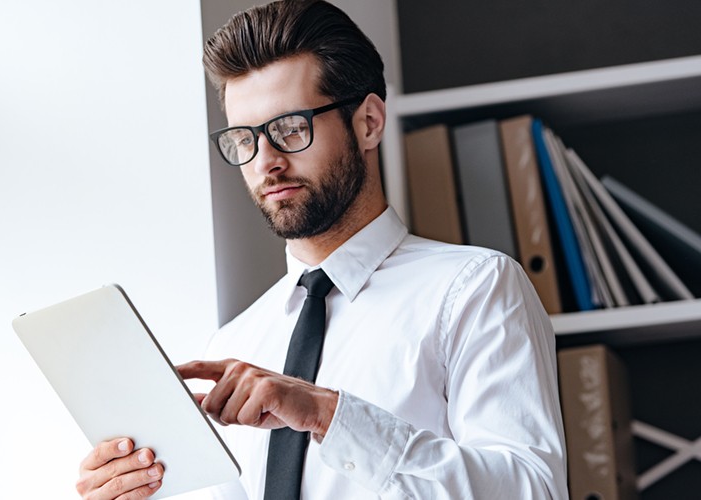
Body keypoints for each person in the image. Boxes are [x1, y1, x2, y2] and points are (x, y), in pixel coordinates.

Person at [75, 1, 569, 499]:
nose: (266, 162)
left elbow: (532, 491)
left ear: (369, 122)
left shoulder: (475, 289)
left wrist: (328, 415)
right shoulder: (232, 343)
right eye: (244, 139)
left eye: (290, 128)